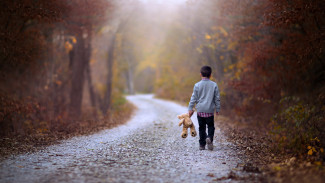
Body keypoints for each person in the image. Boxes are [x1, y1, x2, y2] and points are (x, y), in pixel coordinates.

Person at [188, 66, 220, 150]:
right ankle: (209, 138)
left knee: (201, 128)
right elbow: (217, 98)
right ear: (210, 75)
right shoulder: (214, 85)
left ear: (200, 74)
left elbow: (193, 97)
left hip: (200, 110)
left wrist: (190, 108)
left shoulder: (197, 85)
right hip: (209, 110)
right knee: (210, 126)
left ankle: (202, 145)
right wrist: (218, 109)